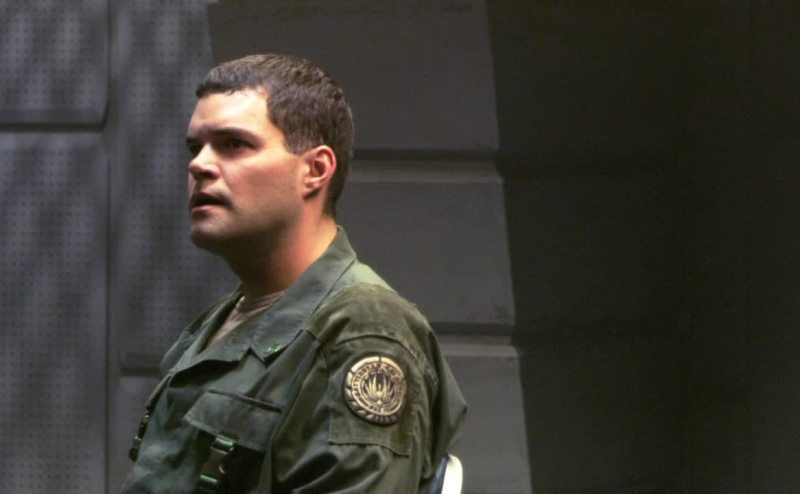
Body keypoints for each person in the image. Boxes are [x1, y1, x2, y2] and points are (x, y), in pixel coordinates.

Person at [120, 53, 466, 493]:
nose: (199, 165)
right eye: (195, 147)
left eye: (233, 144)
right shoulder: (223, 322)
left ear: (315, 170)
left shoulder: (362, 331)